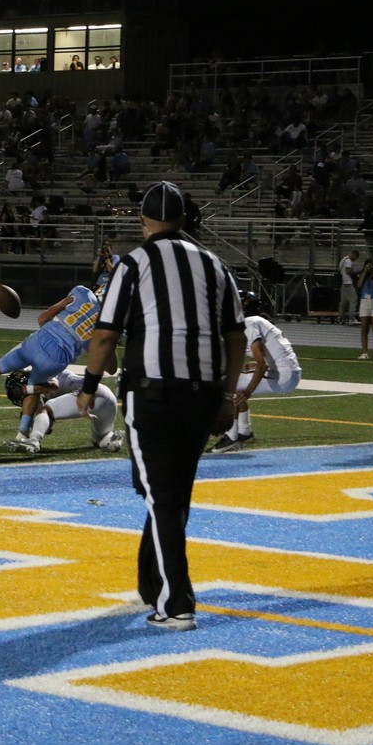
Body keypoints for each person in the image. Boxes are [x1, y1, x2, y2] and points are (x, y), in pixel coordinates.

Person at [77, 180, 247, 631]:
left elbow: (105, 333)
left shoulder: (134, 263)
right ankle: (151, 584)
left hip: (153, 393)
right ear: (184, 219)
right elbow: (236, 336)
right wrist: (226, 395)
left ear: (143, 220)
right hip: (203, 393)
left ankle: (176, 604)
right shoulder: (214, 264)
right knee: (171, 493)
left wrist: (88, 386)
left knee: (161, 494)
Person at [0, 282, 103, 449]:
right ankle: (21, 433)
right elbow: (97, 356)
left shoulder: (82, 293)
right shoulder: (103, 324)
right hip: (57, 359)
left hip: (38, 341)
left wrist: (59, 319)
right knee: (34, 389)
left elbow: (43, 318)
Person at [210, 291, 301, 453]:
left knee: (229, 384)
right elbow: (272, 356)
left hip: (283, 376)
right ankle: (245, 432)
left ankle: (231, 438)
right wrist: (253, 367)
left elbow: (262, 363)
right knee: (237, 382)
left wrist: (248, 391)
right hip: (288, 373)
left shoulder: (249, 323)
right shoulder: (257, 321)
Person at [1, 368, 122, 453]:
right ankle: (112, 439)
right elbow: (46, 426)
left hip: (93, 394)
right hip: (107, 399)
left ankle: (33, 442)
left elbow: (54, 386)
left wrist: (28, 390)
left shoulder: (42, 373)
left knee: (45, 410)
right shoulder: (39, 380)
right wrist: (21, 436)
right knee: (101, 439)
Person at [337, 249, 360, 324]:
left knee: (343, 302)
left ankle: (340, 318)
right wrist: (355, 272)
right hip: (348, 283)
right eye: (355, 258)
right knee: (353, 300)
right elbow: (348, 271)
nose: (355, 260)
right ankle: (352, 318)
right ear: (354, 255)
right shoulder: (348, 261)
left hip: (343, 283)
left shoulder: (344, 259)